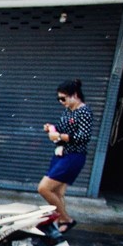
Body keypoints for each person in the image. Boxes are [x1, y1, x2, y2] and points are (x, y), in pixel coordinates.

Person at [39, 78, 92, 233]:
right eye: (59, 99)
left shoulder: (84, 111)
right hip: (61, 154)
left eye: (63, 98)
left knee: (44, 188)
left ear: (74, 95)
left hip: (73, 156)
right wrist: (51, 128)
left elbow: (84, 136)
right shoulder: (69, 110)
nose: (61, 102)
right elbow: (63, 129)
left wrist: (60, 137)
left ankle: (65, 219)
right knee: (58, 192)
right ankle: (63, 221)